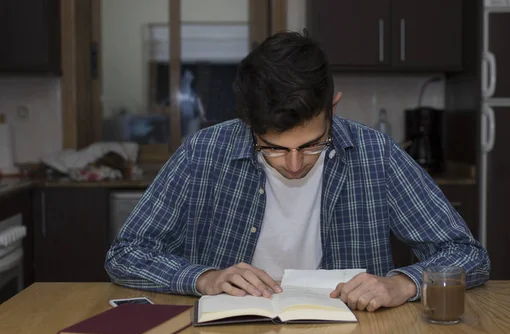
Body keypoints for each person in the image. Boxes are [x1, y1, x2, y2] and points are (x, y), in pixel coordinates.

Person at [105, 31, 490, 312]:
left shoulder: (376, 154)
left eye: (311, 145)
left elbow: (466, 254)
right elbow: (126, 253)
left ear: (333, 108)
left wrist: (402, 283)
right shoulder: (203, 153)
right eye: (272, 148)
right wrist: (204, 278)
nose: (293, 164)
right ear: (249, 124)